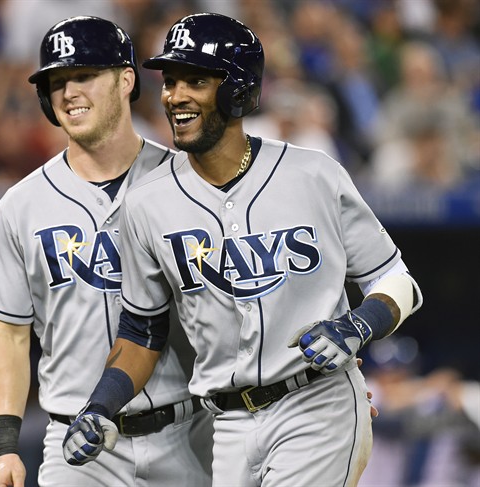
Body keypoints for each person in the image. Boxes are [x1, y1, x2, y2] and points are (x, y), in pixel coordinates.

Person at [62, 12, 424, 487]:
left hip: (316, 405)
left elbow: (396, 280)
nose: (176, 96)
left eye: (196, 79)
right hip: (228, 424)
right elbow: (142, 331)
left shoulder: (313, 174)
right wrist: (101, 407)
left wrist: (358, 325)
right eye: (170, 81)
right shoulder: (146, 203)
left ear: (237, 88)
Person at [0, 16, 212, 487]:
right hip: (78, 447)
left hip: (191, 433)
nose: (68, 92)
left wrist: (329, 390)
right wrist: (5, 447)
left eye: (84, 75)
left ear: (126, 80)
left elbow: (249, 296)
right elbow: (8, 333)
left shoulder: (191, 185)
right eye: (57, 82)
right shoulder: (20, 206)